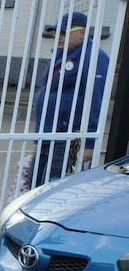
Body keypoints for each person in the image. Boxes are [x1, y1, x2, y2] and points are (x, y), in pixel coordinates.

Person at [29, 11, 111, 188]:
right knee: (35, 181)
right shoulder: (63, 53)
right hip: (48, 132)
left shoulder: (93, 57)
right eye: (57, 32)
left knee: (52, 185)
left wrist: (89, 143)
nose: (59, 37)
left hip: (65, 136)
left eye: (65, 33)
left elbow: (96, 101)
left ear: (81, 33)